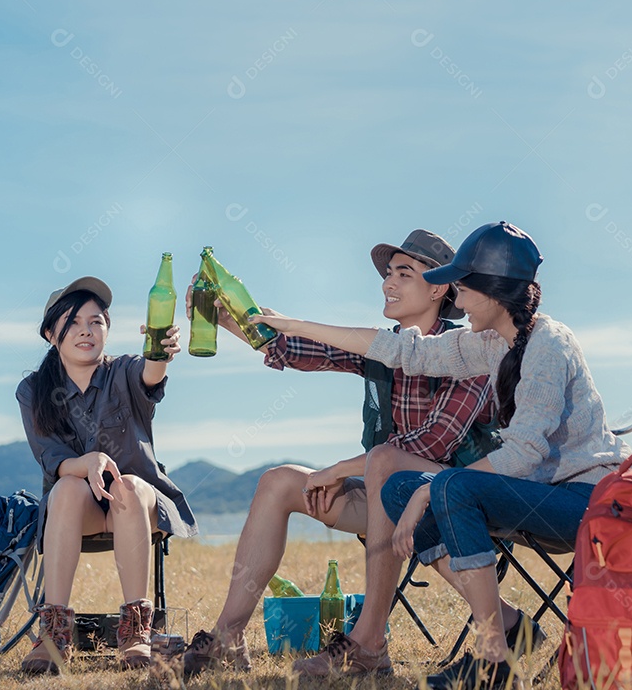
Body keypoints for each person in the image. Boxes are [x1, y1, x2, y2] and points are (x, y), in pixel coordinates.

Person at [248, 222, 629, 690]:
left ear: (492, 290)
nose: (460, 301)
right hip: (533, 496)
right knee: (398, 486)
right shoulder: (491, 344)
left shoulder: (548, 345)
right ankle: (502, 638)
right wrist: (292, 324)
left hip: (582, 502)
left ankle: (492, 660)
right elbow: (402, 350)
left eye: (464, 289)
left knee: (442, 485)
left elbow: (524, 453)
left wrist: (432, 491)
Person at [182, 230, 508, 678]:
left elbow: (432, 446)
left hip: (455, 505)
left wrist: (338, 470)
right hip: (385, 497)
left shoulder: (465, 350)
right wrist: (225, 319)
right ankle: (228, 636)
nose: (387, 283)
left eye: (404, 273)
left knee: (385, 468)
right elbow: (298, 348)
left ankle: (369, 644)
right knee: (279, 481)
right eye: (388, 273)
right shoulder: (381, 347)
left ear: (438, 288)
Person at [15, 276, 198, 674]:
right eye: (73, 321)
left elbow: (152, 373)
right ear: (51, 334)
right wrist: (90, 461)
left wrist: (161, 349)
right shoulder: (32, 390)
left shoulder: (124, 372)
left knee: (129, 486)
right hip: (78, 509)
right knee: (64, 488)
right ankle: (54, 632)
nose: (86, 330)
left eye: (96, 322)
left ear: (107, 331)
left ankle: (136, 631)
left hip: (135, 506)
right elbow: (53, 459)